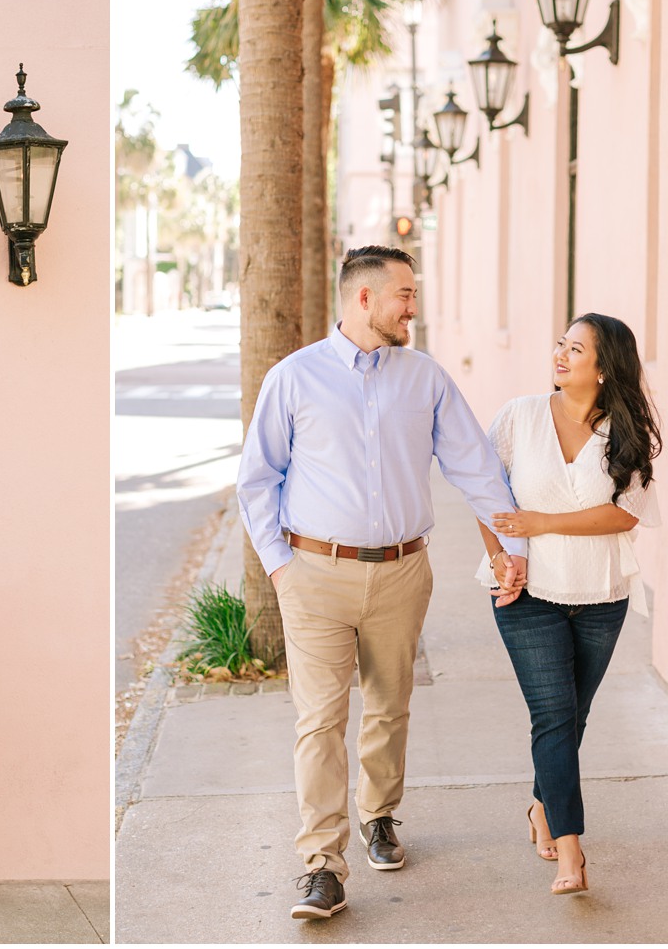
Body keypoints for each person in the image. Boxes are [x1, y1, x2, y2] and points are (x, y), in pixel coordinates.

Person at [237, 244, 528, 921]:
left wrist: (514, 548)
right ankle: (321, 865)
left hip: (403, 572)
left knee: (390, 706)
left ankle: (380, 816)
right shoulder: (294, 378)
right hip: (313, 574)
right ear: (364, 298)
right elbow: (257, 479)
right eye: (404, 293)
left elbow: (476, 467)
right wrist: (282, 568)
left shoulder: (424, 379)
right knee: (319, 721)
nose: (413, 307)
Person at [477, 313, 661, 896]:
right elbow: (486, 496)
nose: (560, 354)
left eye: (575, 349)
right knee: (553, 715)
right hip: (525, 592)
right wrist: (507, 557)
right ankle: (572, 854)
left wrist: (543, 522)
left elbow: (626, 513)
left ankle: (540, 805)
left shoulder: (626, 433)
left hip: (601, 595)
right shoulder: (519, 416)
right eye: (560, 344)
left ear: (604, 369)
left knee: (571, 717)